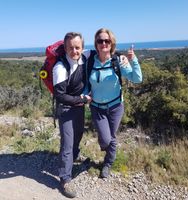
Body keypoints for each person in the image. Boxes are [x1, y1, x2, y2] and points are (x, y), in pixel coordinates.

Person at [86, 28, 142, 178]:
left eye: (107, 40)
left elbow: (137, 79)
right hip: (97, 108)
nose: (103, 43)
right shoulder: (90, 61)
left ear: (112, 43)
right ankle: (107, 150)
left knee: (110, 137)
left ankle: (108, 164)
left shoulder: (119, 61)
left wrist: (133, 60)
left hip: (116, 107)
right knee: (106, 140)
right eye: (100, 41)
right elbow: (86, 83)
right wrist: (85, 94)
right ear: (96, 44)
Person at [53, 32, 91, 198]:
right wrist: (81, 99)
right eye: (70, 48)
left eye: (77, 47)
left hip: (78, 106)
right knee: (67, 143)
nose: (74, 51)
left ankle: (71, 159)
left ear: (82, 47)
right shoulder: (60, 67)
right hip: (66, 109)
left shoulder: (84, 56)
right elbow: (60, 95)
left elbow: (103, 50)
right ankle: (65, 179)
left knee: (78, 135)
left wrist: (122, 56)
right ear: (65, 48)